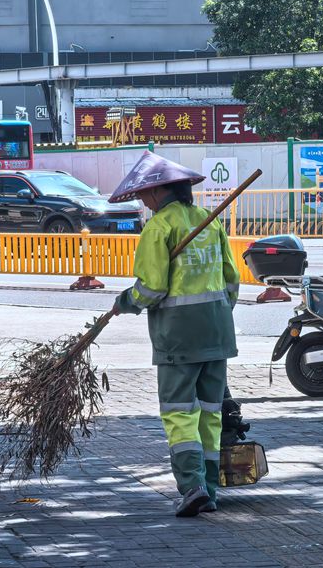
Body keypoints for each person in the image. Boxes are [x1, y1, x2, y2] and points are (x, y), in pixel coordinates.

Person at [109, 151, 239, 517]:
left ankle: (192, 486)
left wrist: (125, 301)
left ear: (158, 192)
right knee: (210, 414)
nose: (141, 201)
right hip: (217, 332)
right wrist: (215, 317)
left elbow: (150, 289)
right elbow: (231, 283)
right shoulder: (208, 222)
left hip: (178, 338)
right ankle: (209, 490)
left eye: (143, 194)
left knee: (180, 413)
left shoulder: (159, 227)